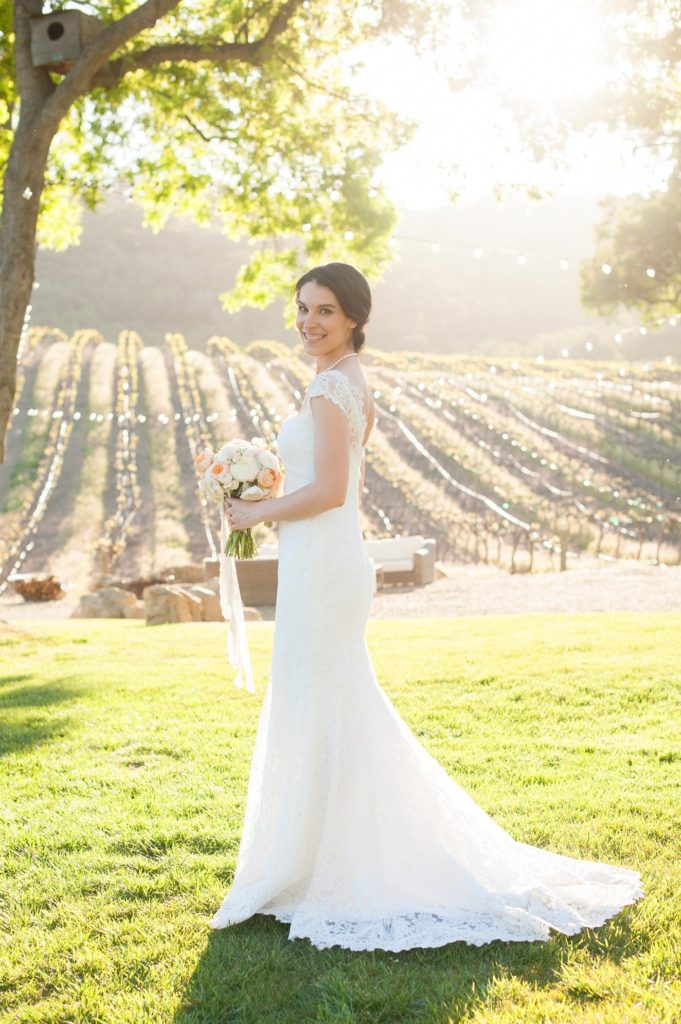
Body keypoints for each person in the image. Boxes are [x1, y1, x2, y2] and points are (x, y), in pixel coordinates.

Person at [208, 261, 643, 952]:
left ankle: (328, 865)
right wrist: (270, 493)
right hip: (327, 562)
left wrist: (256, 509)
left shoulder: (328, 386)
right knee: (328, 703)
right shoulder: (352, 384)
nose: (308, 321)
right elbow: (329, 488)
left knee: (321, 701)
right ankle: (315, 856)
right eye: (301, 308)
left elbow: (325, 492)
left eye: (323, 310)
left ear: (353, 317)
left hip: (322, 568)